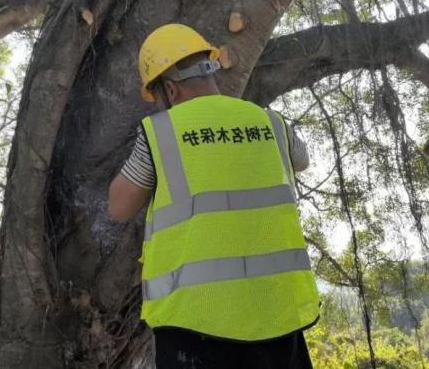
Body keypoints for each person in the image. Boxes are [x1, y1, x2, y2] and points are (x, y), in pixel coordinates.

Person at [108, 24, 319, 368]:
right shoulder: (271, 123)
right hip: (277, 318)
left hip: (194, 325)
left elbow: (118, 208)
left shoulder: (160, 134)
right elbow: (303, 161)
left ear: (170, 90)